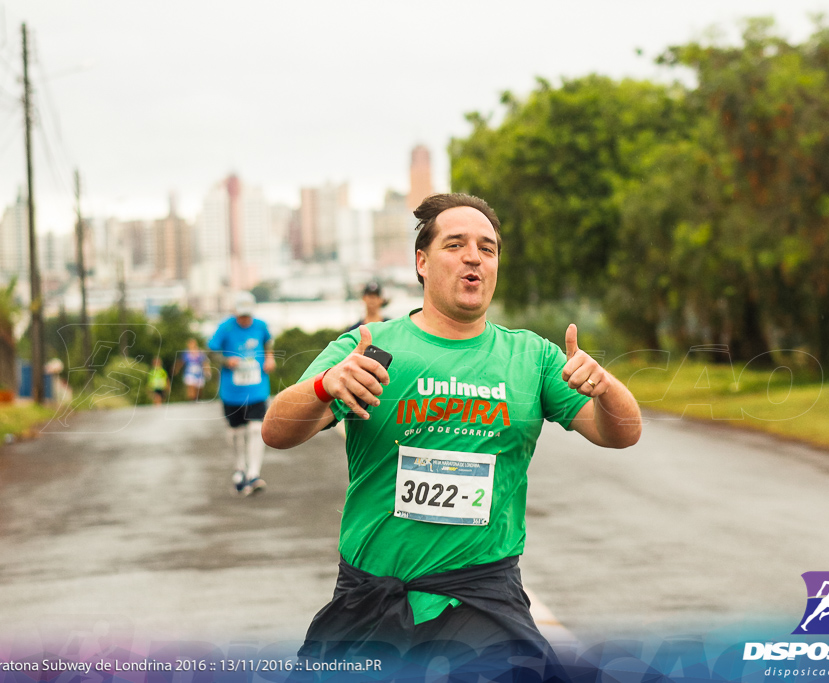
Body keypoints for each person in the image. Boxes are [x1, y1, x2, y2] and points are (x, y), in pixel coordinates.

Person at [262, 193, 643, 670]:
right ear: (421, 261)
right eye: (455, 244)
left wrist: (605, 387)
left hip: (482, 604)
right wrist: (323, 386)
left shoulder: (532, 358)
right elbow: (277, 431)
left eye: (488, 248)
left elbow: (622, 432)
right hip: (372, 602)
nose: (473, 257)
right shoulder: (370, 349)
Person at [208, 292, 275, 496]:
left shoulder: (261, 326)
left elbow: (268, 342)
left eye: (248, 315)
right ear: (235, 312)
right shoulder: (225, 327)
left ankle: (254, 474)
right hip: (232, 390)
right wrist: (226, 361)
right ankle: (240, 468)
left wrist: (270, 358)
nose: (245, 319)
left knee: (256, 429)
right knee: (236, 432)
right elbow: (212, 351)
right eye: (241, 315)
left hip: (257, 388)